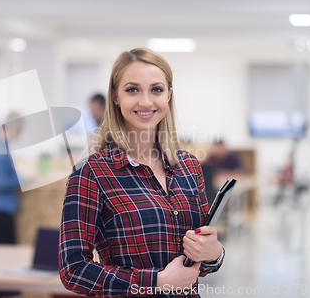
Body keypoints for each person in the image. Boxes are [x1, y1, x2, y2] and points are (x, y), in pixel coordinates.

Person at [59, 48, 225, 297]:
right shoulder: (91, 173)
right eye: (132, 89)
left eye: (156, 89)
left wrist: (214, 253)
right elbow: (73, 270)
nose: (146, 101)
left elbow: (198, 264)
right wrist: (156, 281)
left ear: (169, 95)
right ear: (115, 96)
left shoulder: (189, 167)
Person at [0, 113, 24, 244]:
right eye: (19, 131)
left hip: (2, 208)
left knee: (3, 251)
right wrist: (21, 179)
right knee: (3, 252)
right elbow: (1, 183)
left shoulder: (1, 146)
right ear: (13, 129)